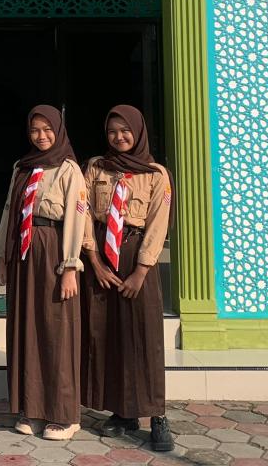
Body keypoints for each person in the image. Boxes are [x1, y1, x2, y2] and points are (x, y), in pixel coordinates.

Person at [80, 105, 174, 451]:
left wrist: (141, 271)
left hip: (136, 254)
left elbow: (158, 222)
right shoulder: (96, 167)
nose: (118, 137)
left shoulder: (156, 174)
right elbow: (84, 212)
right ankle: (123, 412)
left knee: (144, 337)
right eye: (112, 131)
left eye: (125, 131)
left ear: (138, 131)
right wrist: (94, 260)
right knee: (107, 335)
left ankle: (157, 414)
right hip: (102, 255)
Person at [0, 105, 88, 441]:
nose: (41, 136)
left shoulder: (69, 169)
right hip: (23, 251)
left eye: (48, 129)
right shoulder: (22, 167)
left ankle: (63, 413)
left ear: (59, 131)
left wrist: (70, 266)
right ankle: (30, 407)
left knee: (56, 329)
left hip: (53, 250)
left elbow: (77, 217)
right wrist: (3, 256)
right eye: (35, 130)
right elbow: (9, 211)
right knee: (27, 327)